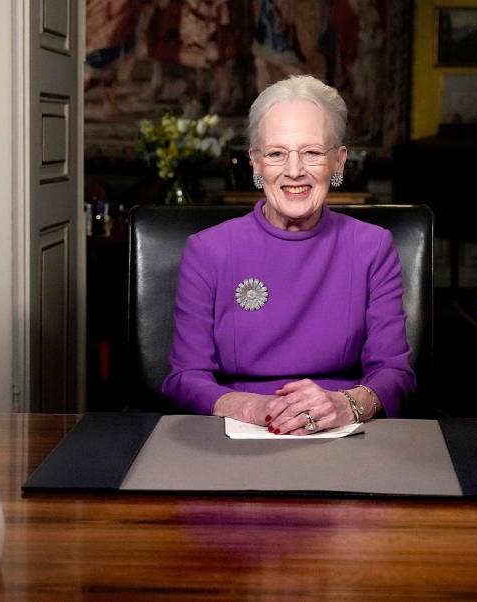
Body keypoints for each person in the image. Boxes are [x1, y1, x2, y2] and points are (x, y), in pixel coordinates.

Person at [162, 74, 415, 434]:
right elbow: (185, 378)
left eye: (312, 152)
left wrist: (345, 404)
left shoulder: (373, 247)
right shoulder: (208, 250)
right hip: (237, 433)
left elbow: (395, 373)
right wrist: (257, 409)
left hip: (341, 434)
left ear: (339, 162)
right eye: (277, 153)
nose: (294, 171)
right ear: (255, 163)